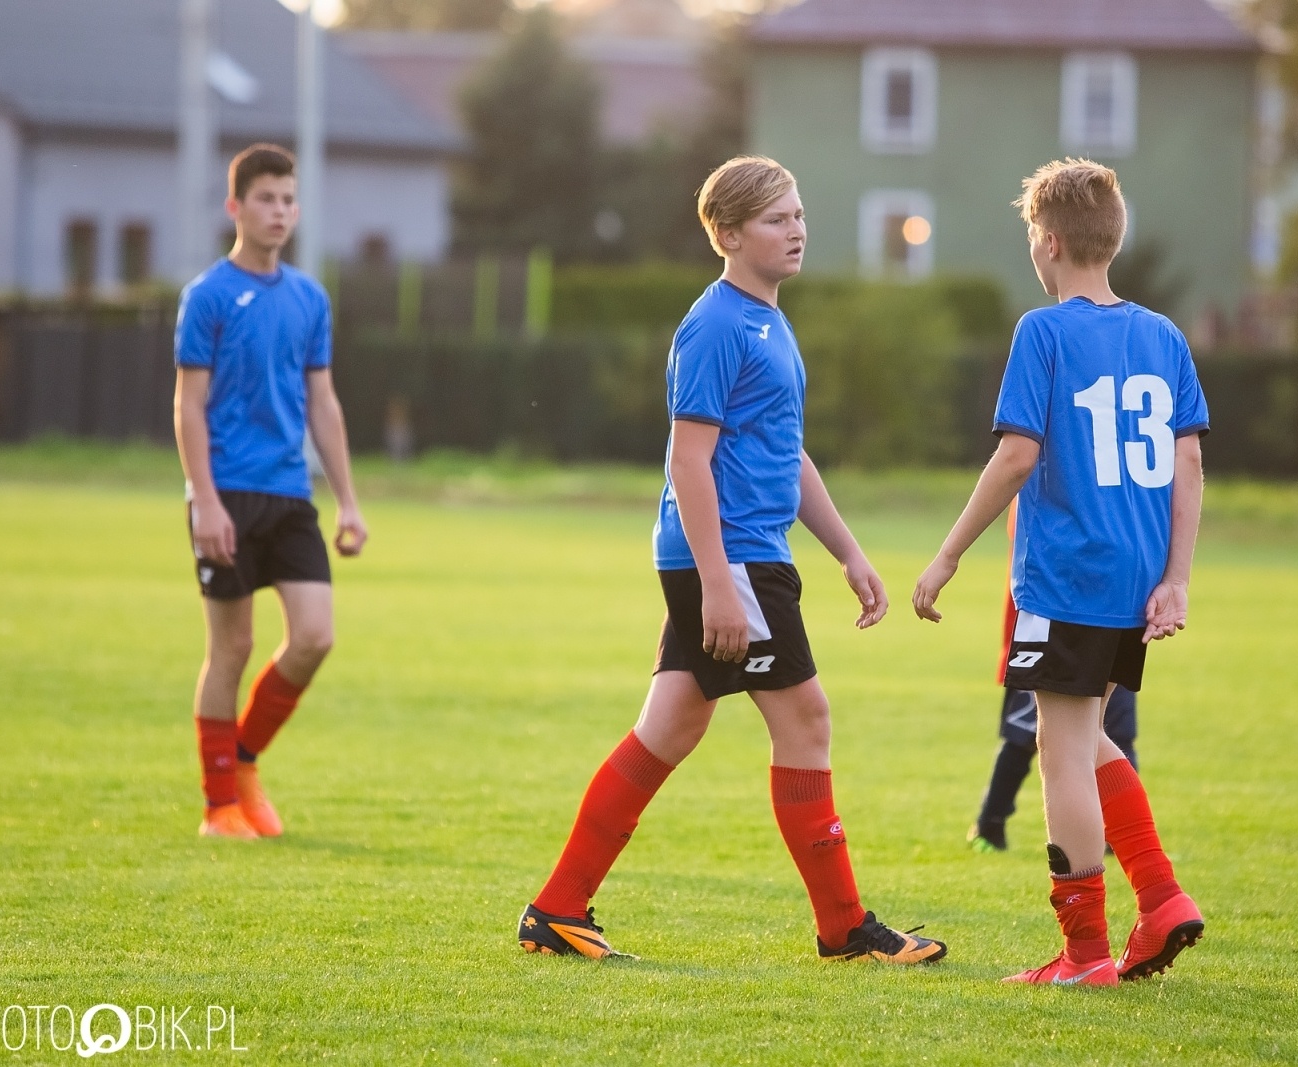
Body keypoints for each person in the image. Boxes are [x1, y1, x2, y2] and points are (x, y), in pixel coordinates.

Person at [517, 157, 946, 965]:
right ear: (727, 234)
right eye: (778, 219)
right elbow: (688, 461)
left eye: (799, 215)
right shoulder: (716, 323)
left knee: (671, 724)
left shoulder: (766, 320)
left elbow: (785, 453)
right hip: (733, 557)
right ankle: (844, 927)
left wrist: (849, 551)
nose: (797, 230)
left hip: (747, 554)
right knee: (807, 717)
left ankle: (557, 908)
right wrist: (718, 580)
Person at [913, 159, 1206, 987]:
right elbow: (1189, 465)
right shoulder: (1163, 335)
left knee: (1061, 750)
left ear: (1047, 242)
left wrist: (948, 552)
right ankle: (1161, 896)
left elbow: (1015, 455)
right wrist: (1176, 577)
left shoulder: (1041, 331)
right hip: (1135, 576)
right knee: (1091, 735)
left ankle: (1083, 957)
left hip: (1065, 575)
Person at [173, 144, 367, 839]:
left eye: (289, 199)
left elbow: (324, 404)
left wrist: (347, 499)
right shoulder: (209, 296)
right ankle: (219, 805)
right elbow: (188, 406)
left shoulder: (310, 297)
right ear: (236, 207)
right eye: (266, 199)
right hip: (226, 492)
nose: (280, 211)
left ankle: (245, 758)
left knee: (314, 636)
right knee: (231, 648)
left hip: (290, 495)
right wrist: (205, 501)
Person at [970, 506, 1140, 853]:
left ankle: (1121, 837)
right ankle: (990, 825)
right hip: (1051, 628)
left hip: (1112, 623)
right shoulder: (1044, 480)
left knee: (1118, 733)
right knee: (1025, 735)